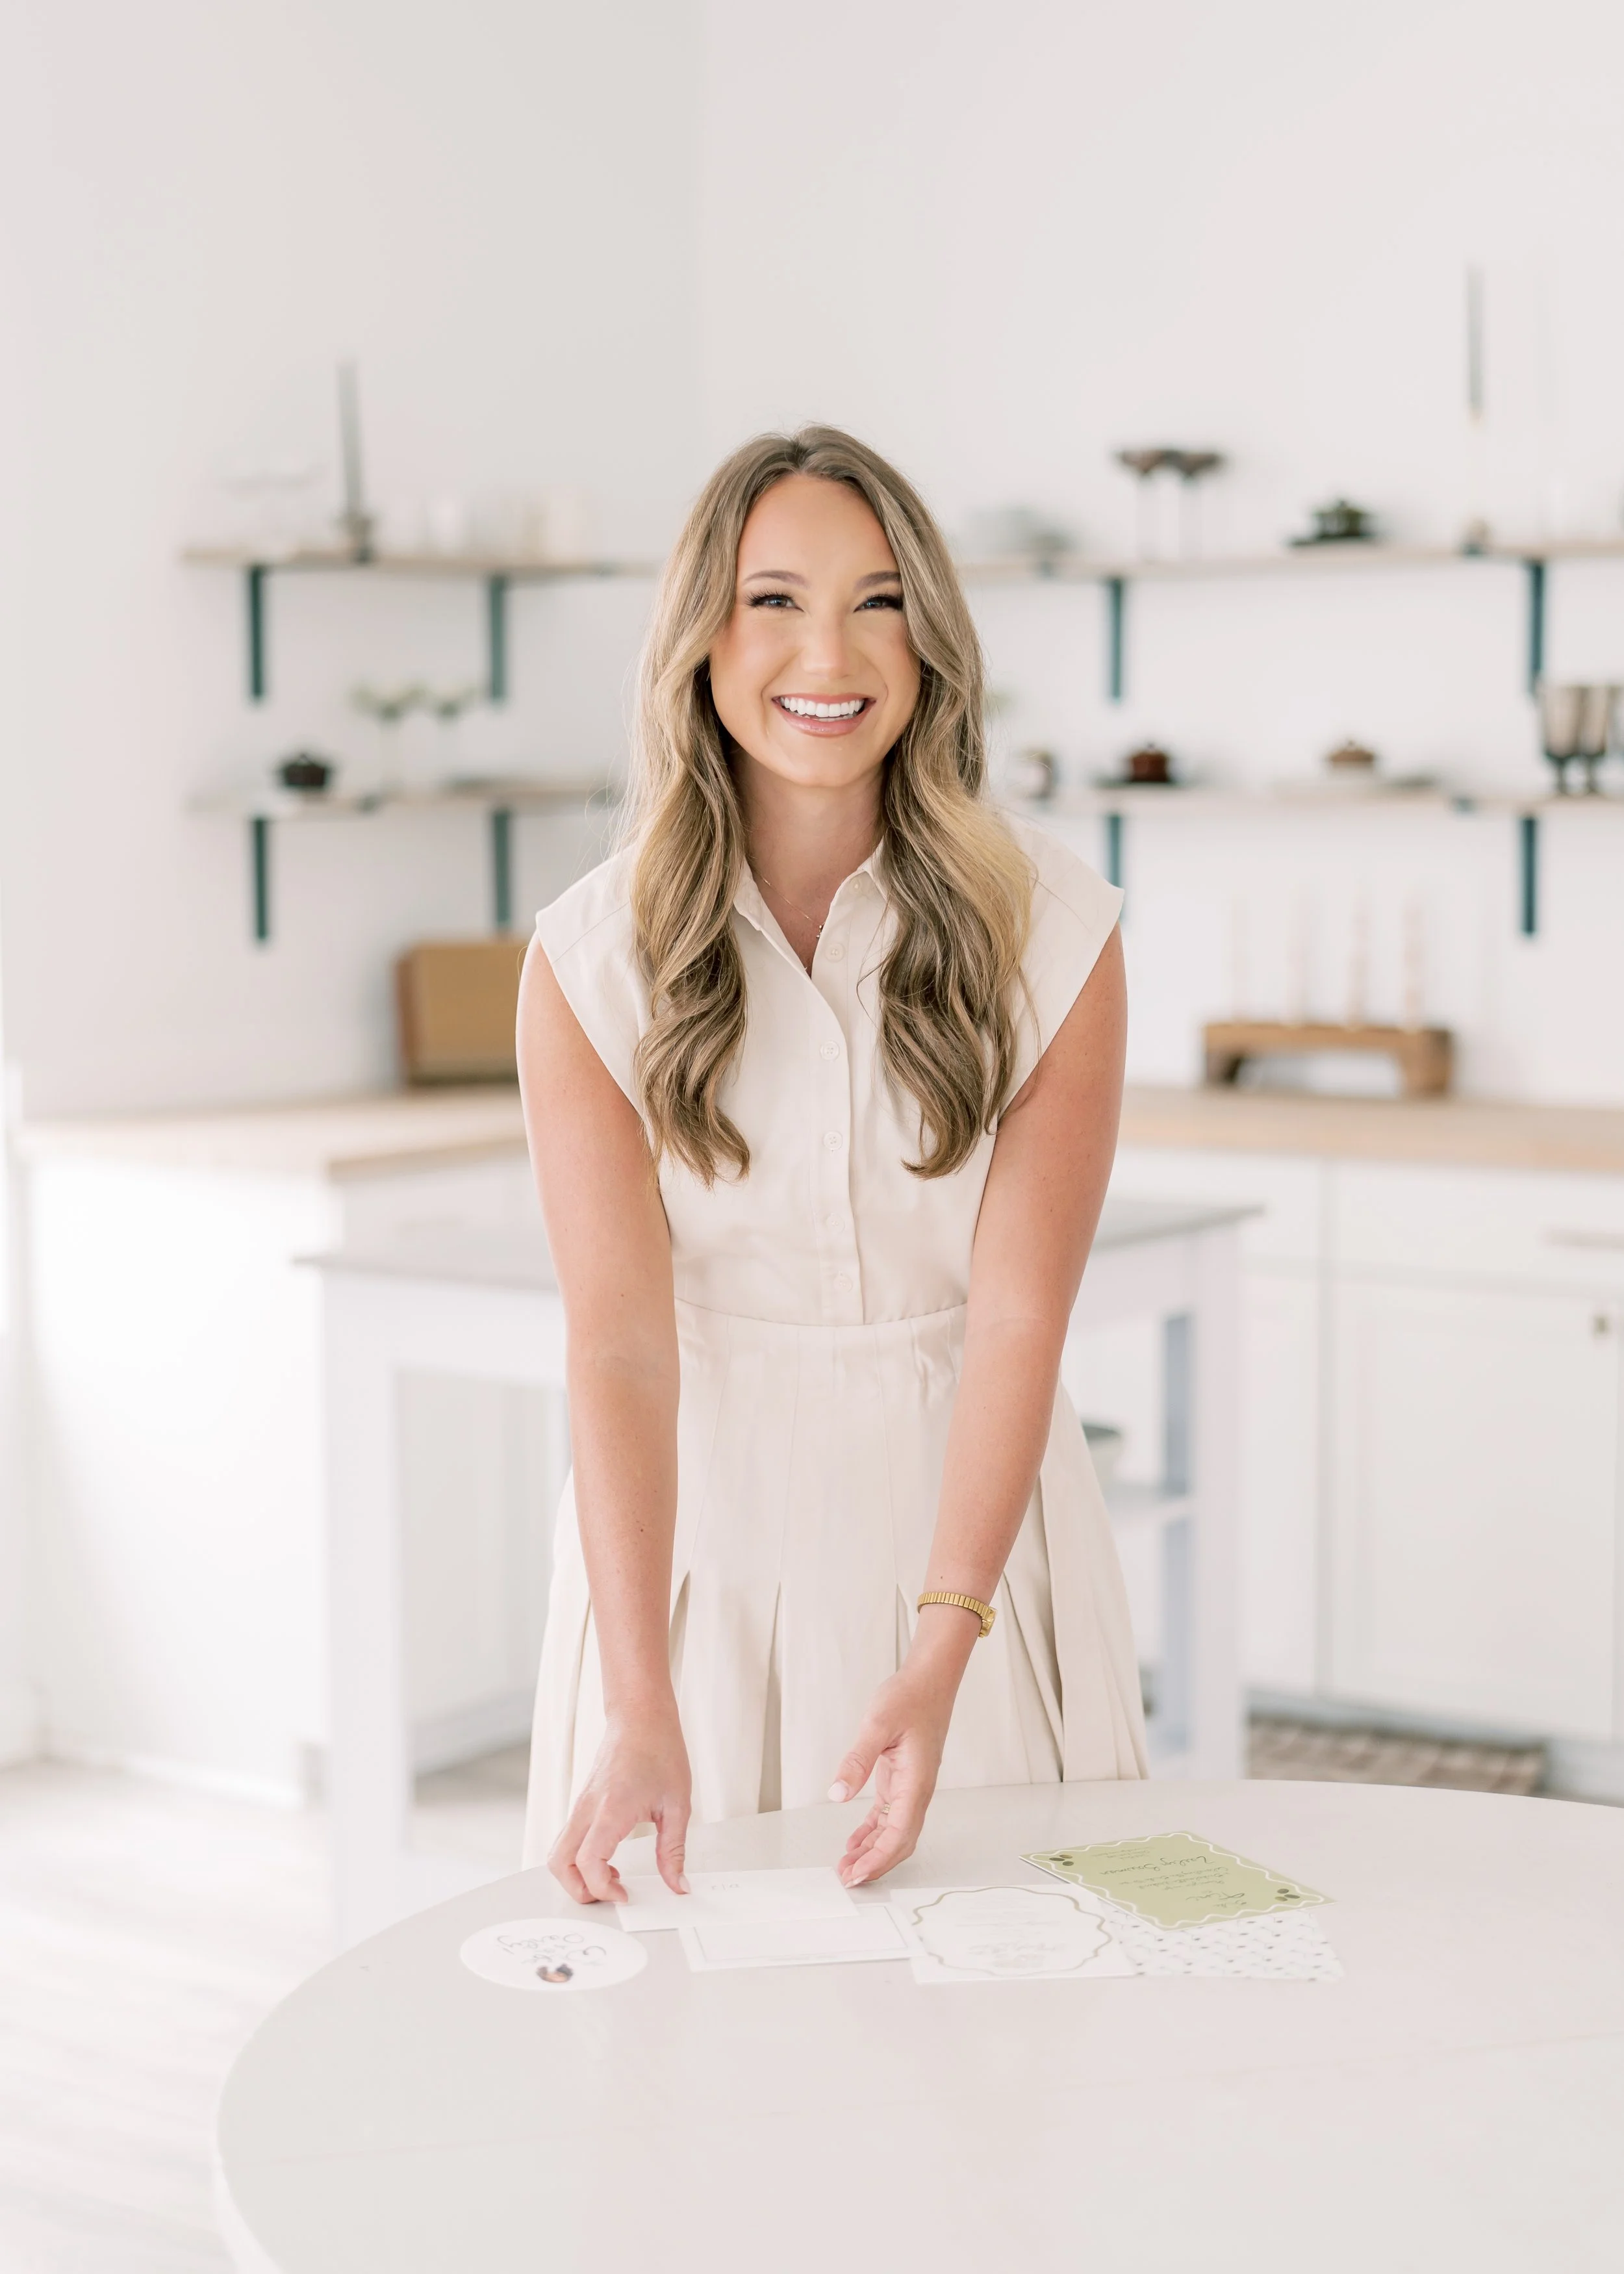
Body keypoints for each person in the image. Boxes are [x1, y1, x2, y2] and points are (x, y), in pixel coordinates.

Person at [518, 426, 1145, 1907]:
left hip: (975, 1557)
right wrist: (640, 1697)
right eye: (773, 599)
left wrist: (941, 1648)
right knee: (681, 2042)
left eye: (877, 601)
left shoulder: (1053, 931)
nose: (829, 650)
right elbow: (614, 1346)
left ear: (928, 641)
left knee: (1015, 2029)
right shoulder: (587, 959)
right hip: (690, 1575)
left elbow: (1014, 1319)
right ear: (700, 638)